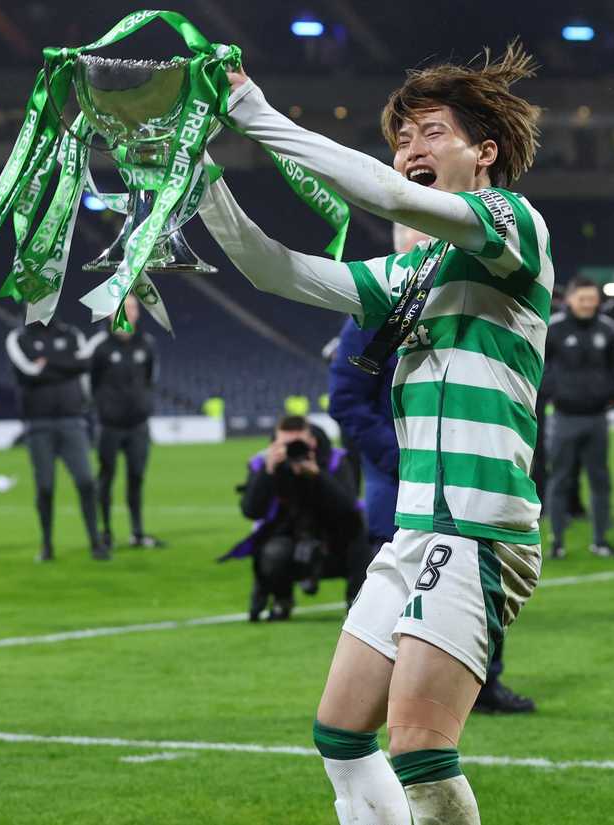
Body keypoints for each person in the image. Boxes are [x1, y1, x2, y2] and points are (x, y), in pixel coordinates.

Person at [201, 45, 548, 823]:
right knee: (340, 734)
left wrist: (249, 108)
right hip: (415, 529)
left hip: (477, 527)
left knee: (420, 750)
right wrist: (197, 177)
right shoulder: (407, 279)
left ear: (484, 153)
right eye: (402, 138)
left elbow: (386, 193)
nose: (410, 149)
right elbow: (271, 269)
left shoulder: (512, 225)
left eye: (431, 132)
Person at [330, 225, 535, 717]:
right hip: (400, 483)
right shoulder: (380, 307)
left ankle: (481, 685)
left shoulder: (477, 302)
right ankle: (390, 700)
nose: (433, 245)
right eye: (419, 235)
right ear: (399, 246)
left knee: (473, 583)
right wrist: (406, 459)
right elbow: (347, 400)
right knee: (396, 594)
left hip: (468, 483)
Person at [227, 417, 364, 622]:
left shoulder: (334, 460)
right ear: (275, 444)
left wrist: (318, 475)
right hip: (287, 537)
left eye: (298, 444)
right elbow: (251, 511)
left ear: (312, 442)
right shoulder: (264, 462)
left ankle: (356, 602)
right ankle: (282, 599)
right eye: (286, 444)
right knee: (272, 552)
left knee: (364, 536)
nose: (292, 449)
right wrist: (268, 472)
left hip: (333, 538)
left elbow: (348, 507)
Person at [6, 313, 106, 562]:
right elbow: (28, 373)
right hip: (38, 424)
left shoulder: (71, 333)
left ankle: (96, 542)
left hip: (72, 421)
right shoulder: (18, 338)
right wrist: (66, 365)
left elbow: (84, 364)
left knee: (86, 481)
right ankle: (47, 544)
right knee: (45, 487)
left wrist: (48, 364)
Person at [542, 274, 614, 560]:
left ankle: (600, 540)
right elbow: (538, 364)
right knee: (560, 480)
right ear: (570, 299)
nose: (588, 304)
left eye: (592, 299)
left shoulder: (608, 327)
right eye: (583, 299)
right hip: (563, 417)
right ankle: (556, 542)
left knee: (600, 480)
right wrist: (552, 391)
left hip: (597, 418)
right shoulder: (553, 327)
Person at [90, 295, 165, 550]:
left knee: (136, 478)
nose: (129, 312)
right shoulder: (99, 346)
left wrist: (143, 404)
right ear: (111, 314)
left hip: (138, 426)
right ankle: (106, 532)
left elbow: (151, 378)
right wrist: (102, 409)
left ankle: (137, 532)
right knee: (106, 478)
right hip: (109, 426)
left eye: (133, 307)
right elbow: (89, 382)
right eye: (124, 307)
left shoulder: (147, 343)